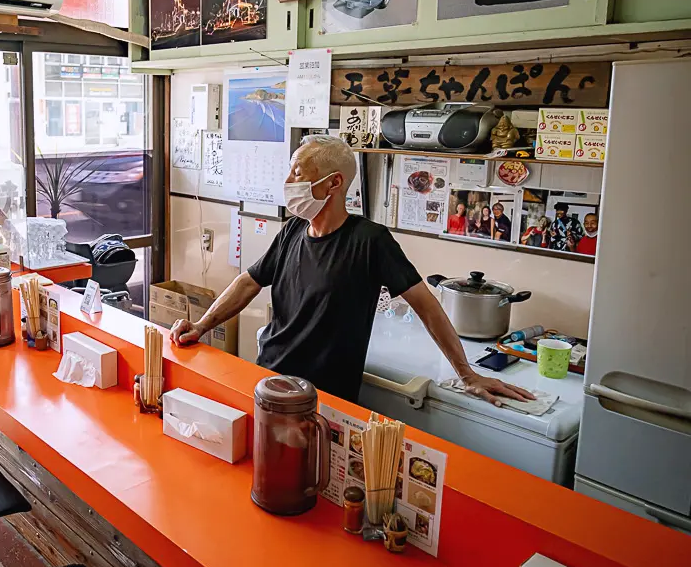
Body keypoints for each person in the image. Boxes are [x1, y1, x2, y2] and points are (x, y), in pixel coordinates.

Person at [169, 135, 534, 408]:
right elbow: (249, 281)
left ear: (334, 183)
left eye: (298, 171)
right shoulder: (294, 229)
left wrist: (467, 375)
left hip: (322, 398)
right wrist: (202, 325)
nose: (289, 179)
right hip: (267, 376)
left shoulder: (370, 241)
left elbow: (427, 305)